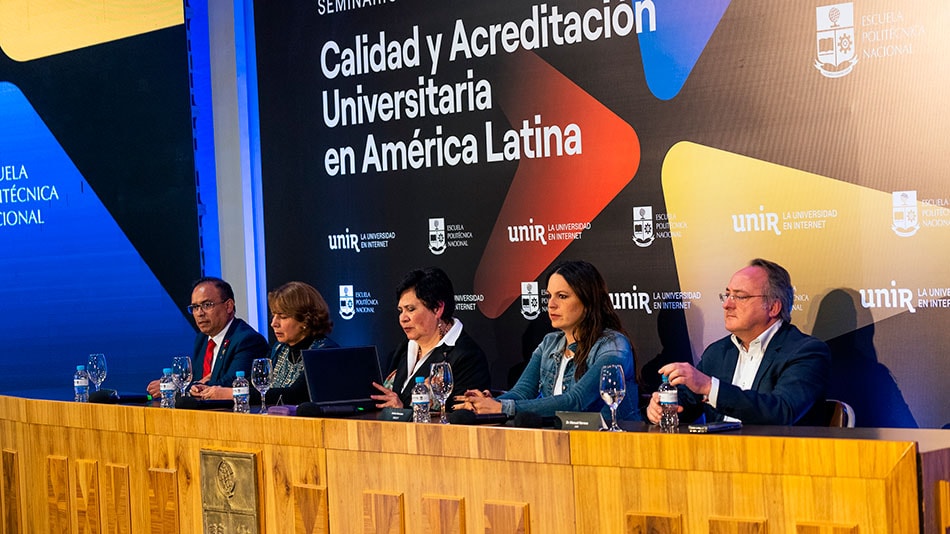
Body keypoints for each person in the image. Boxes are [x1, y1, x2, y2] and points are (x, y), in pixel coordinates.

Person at [645, 258, 831, 426]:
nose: (727, 305)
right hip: (718, 457)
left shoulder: (806, 352)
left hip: (778, 458)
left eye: (740, 297)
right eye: (727, 295)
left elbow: (783, 412)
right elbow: (686, 406)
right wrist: (665, 407)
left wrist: (710, 387)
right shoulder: (718, 352)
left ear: (773, 307)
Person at [458, 260, 640, 421]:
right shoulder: (549, 343)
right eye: (549, 296)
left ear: (588, 302)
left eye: (562, 296)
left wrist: (500, 407)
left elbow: (575, 401)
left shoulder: (613, 345)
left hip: (610, 443)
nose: (551, 304)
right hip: (558, 441)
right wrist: (483, 404)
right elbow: (522, 393)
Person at [191, 281, 338, 404]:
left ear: (306, 319)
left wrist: (231, 393)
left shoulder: (323, 352)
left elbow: (294, 395)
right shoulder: (280, 349)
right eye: (273, 315)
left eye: (283, 316)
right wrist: (210, 388)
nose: (274, 323)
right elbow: (257, 383)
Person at [371, 267, 491, 409]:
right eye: (400, 310)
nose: (403, 318)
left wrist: (402, 412)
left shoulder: (468, 357)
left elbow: (461, 416)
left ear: (437, 309)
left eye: (410, 309)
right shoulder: (404, 348)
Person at [147, 277, 269, 397]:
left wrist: (175, 387)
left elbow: (230, 384)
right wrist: (189, 385)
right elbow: (198, 381)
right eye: (195, 307)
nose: (200, 313)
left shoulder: (248, 340)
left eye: (207, 305)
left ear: (228, 306)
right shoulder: (202, 339)